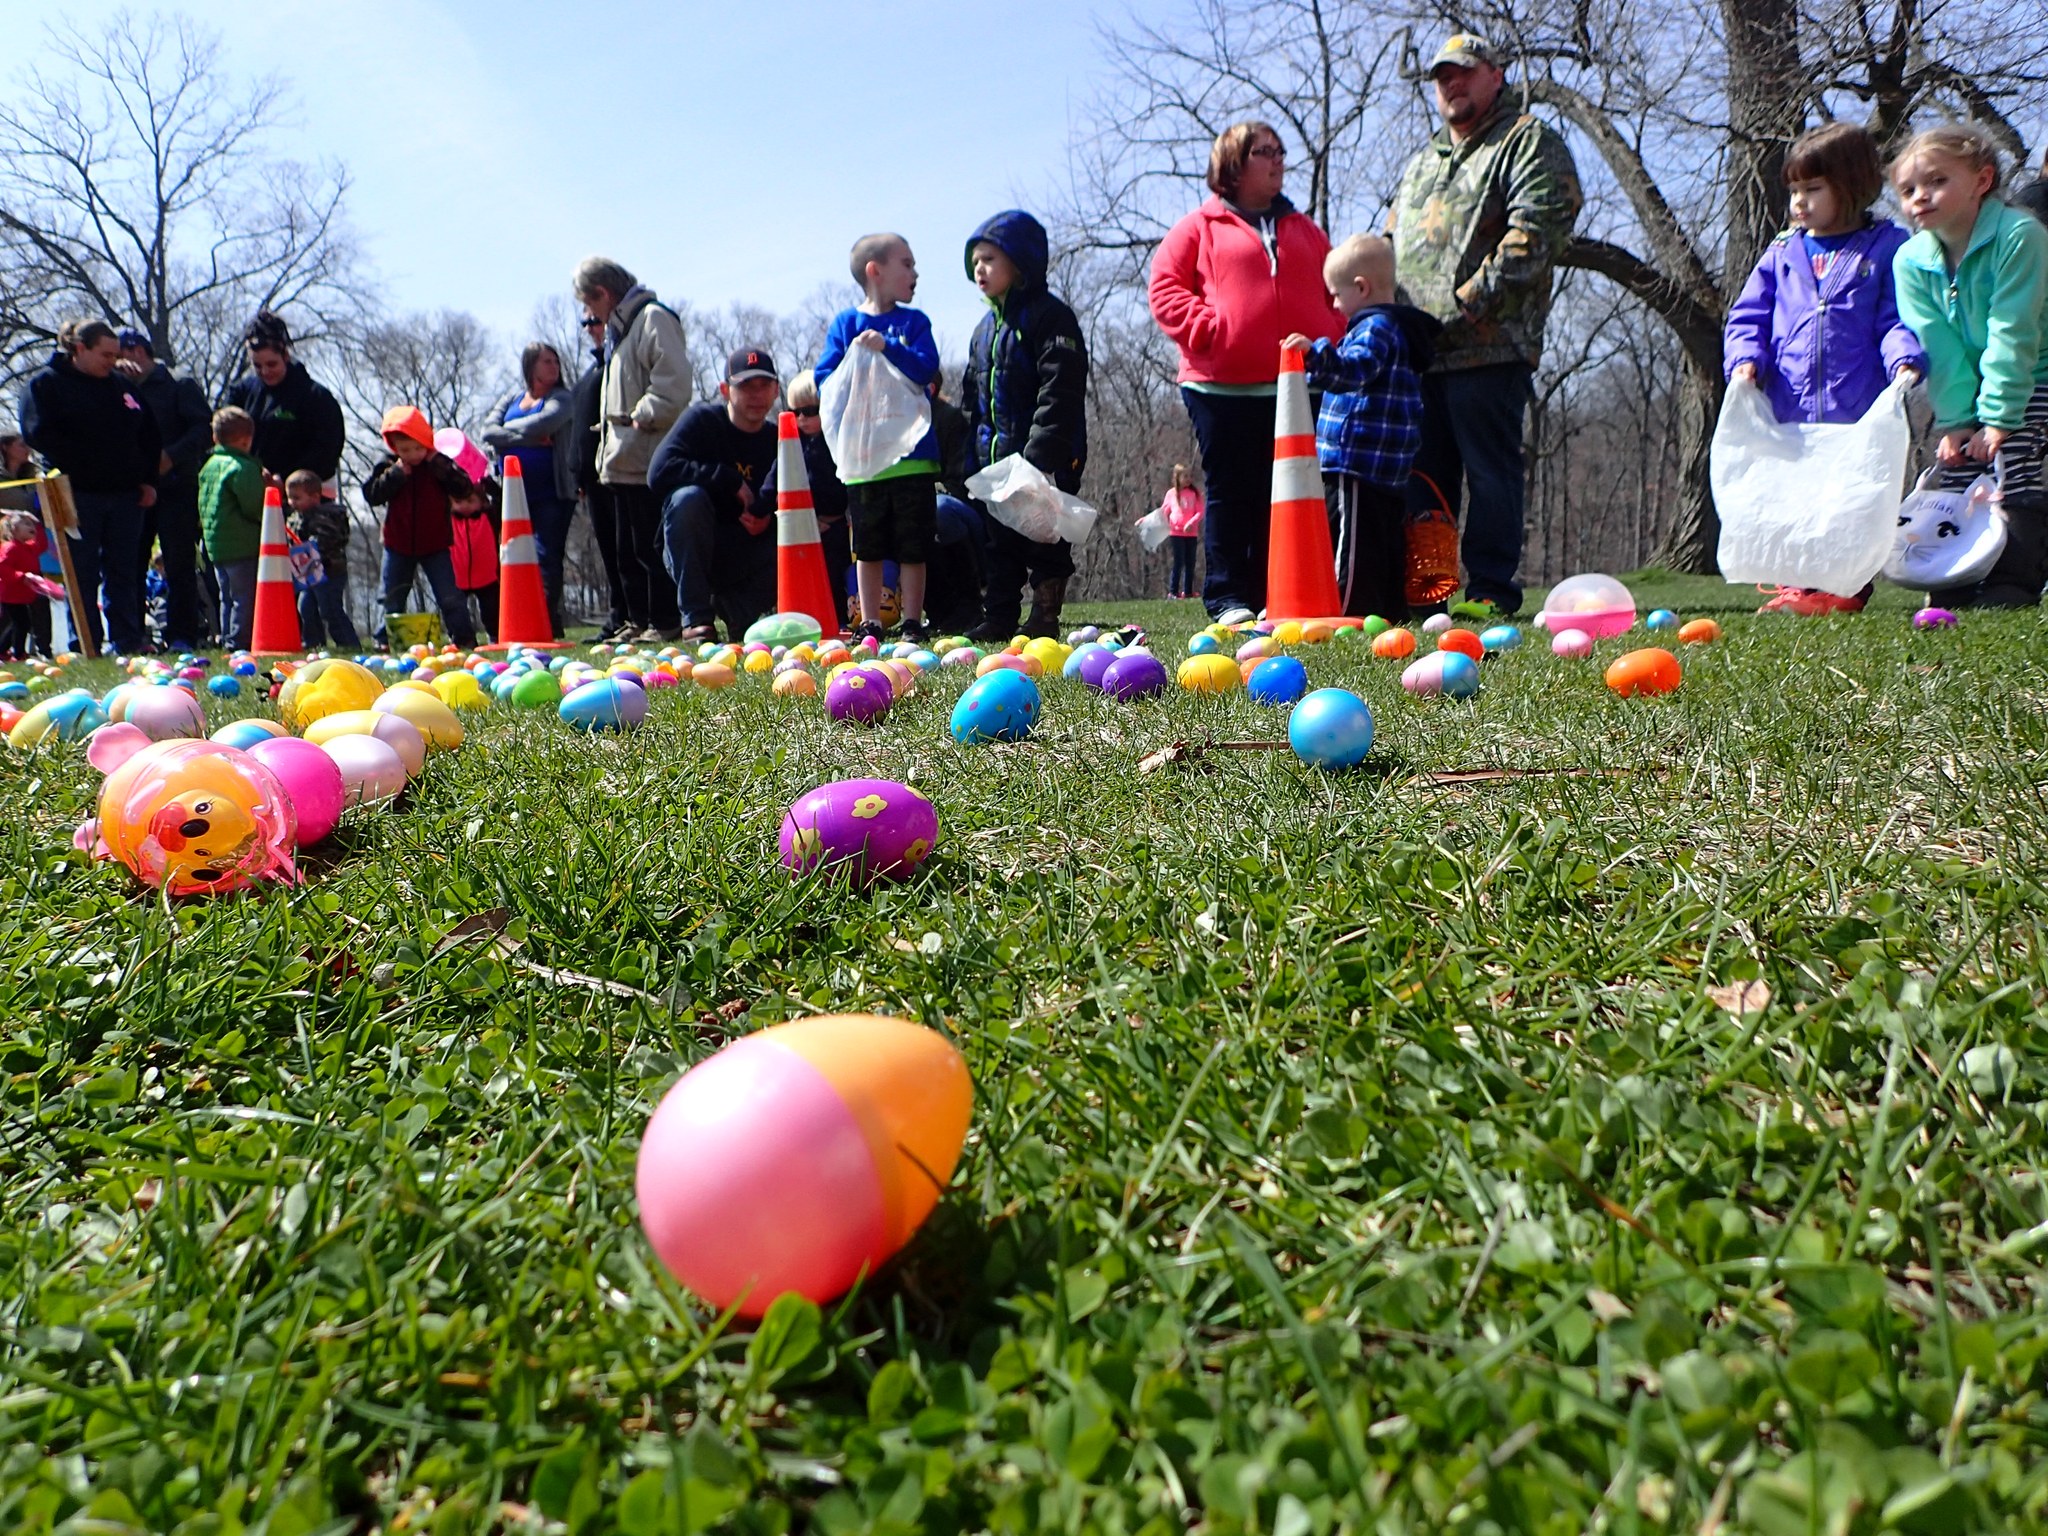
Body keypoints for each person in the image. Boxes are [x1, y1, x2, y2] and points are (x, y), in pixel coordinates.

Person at [1390, 32, 1582, 622]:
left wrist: (1469, 302)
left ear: (1494, 75)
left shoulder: (1525, 140)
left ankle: (1491, 591)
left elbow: (1542, 224)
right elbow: (1393, 240)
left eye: (1464, 72)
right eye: (1443, 76)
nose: (1452, 83)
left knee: (1490, 472)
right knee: (1426, 479)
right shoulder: (1424, 161)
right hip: (1417, 350)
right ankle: (1430, 593)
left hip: (1489, 345)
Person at [1724, 123, 1927, 616]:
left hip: (1854, 404)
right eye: (1794, 190)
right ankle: (1799, 586)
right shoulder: (1782, 252)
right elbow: (1749, 313)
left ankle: (1845, 587)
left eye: (1813, 189)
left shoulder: (1884, 249)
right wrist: (1746, 357)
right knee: (1798, 498)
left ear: (1852, 185)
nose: (1799, 202)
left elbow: (1894, 317)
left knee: (1845, 500)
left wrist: (1904, 360)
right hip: (1790, 402)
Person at [1149, 122, 1343, 625]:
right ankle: (1228, 596)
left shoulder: (1304, 229)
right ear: (1232, 164)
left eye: (1280, 151)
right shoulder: (1200, 226)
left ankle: (1276, 593)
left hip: (1296, 386)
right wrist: (1211, 327)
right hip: (1219, 385)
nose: (1277, 160)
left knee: (1283, 493)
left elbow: (1338, 291)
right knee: (1232, 489)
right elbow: (1165, 289)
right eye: (1263, 152)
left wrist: (1333, 336)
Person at [1892, 124, 2048, 607]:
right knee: (1957, 473)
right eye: (1908, 189)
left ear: (1982, 180)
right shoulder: (1910, 259)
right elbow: (1937, 344)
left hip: (2032, 375)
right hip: (1967, 386)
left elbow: (2013, 329)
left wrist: (1999, 417)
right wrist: (1958, 422)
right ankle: (1951, 579)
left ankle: (2011, 584)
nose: (1921, 196)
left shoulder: (2020, 235)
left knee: (2014, 473)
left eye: (1937, 181)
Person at [1283, 234, 1440, 622]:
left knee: (1352, 545)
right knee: (1384, 541)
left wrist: (1315, 354)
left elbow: (1355, 369)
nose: (1334, 304)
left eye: (1336, 294)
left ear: (1361, 288)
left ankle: (1350, 612)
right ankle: (1390, 612)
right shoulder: (1399, 328)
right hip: (1387, 465)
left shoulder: (1374, 329)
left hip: (1356, 459)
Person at [959, 211, 1089, 640]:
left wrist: (1042, 453)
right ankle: (998, 616)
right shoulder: (983, 330)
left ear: (1021, 262)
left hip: (1043, 456)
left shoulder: (1050, 318)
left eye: (990, 259)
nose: (980, 268)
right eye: (975, 260)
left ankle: (1045, 615)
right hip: (997, 464)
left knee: (1046, 538)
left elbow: (1060, 389)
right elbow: (972, 398)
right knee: (999, 543)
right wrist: (970, 459)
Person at [816, 233, 943, 643]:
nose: (915, 272)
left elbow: (926, 369)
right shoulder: (846, 325)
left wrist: (888, 347)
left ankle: (911, 621)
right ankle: (869, 621)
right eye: (906, 263)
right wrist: (856, 351)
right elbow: (826, 380)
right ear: (875, 270)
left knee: (913, 543)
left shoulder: (913, 323)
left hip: (914, 458)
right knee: (867, 545)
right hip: (865, 462)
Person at [18, 318, 162, 654]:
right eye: (105, 354)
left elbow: (149, 434)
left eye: (115, 355)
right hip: (75, 493)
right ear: (79, 349)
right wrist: (88, 460)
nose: (112, 361)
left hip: (126, 494)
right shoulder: (45, 385)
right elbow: (39, 434)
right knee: (80, 572)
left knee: (124, 570)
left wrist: (147, 480)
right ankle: (85, 643)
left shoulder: (122, 386)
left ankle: (127, 639)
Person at [573, 257, 692, 642]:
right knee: (627, 549)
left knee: (650, 545)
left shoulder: (653, 319)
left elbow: (673, 383)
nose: (591, 315)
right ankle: (638, 619)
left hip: (647, 454)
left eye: (590, 306)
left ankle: (664, 621)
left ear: (603, 295)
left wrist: (642, 415)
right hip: (622, 459)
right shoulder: (621, 331)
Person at [650, 347, 780, 643]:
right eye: (746, 386)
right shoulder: (701, 421)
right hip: (695, 549)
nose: (756, 395)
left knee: (806, 527)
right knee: (688, 500)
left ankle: (740, 614)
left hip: (749, 551)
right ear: (725, 390)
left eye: (764, 386)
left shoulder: (779, 438)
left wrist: (767, 517)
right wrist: (728, 479)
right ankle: (697, 619)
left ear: (776, 390)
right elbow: (658, 472)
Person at [117, 329, 212, 647]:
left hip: (176, 487)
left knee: (179, 562)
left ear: (137, 352)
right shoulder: (115, 387)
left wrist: (171, 456)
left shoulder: (178, 384)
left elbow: (203, 428)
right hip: (133, 489)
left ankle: (182, 634)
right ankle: (132, 635)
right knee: (131, 563)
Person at [482, 341, 577, 637]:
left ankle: (547, 622)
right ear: (530, 366)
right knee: (510, 557)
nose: (554, 366)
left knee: (547, 557)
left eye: (555, 361)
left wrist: (509, 437)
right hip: (510, 497)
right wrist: (529, 439)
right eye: (546, 361)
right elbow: (488, 431)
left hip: (551, 493)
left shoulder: (561, 398)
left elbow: (545, 423)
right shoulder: (511, 398)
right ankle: (514, 622)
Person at [364, 406, 478, 647]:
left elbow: (464, 488)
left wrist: (438, 464)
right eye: (405, 450)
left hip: (435, 543)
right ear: (394, 447)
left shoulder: (438, 463)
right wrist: (395, 474)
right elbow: (372, 494)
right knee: (391, 596)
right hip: (398, 542)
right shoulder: (389, 465)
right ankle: (382, 640)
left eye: (418, 448)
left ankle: (464, 638)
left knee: (449, 596)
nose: (413, 455)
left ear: (427, 442)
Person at [761, 369, 852, 627]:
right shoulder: (793, 443)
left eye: (811, 411)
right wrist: (759, 507)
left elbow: (846, 484)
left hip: (833, 523)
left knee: (835, 573)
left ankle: (840, 618)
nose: (802, 419)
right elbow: (776, 477)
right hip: (801, 525)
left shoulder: (837, 441)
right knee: (799, 574)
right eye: (796, 412)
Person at [221, 311, 347, 493]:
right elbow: (224, 437)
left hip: (300, 498)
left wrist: (287, 478)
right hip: (248, 493)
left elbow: (327, 451)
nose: (265, 371)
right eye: (257, 366)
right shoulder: (240, 393)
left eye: (272, 364)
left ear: (285, 356)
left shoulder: (316, 398)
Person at [570, 313, 630, 641]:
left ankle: (633, 614)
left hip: (619, 470)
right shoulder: (593, 370)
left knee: (625, 549)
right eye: (586, 323)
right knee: (608, 549)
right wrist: (576, 471)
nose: (591, 328)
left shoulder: (617, 366)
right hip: (592, 477)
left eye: (596, 319)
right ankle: (619, 614)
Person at [196, 406, 266, 651]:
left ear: (216, 437)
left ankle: (227, 638)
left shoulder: (209, 466)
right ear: (247, 440)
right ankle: (240, 642)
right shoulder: (242, 468)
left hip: (216, 544)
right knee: (244, 597)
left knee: (226, 596)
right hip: (242, 542)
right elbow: (253, 506)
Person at [927, 375, 988, 633]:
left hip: (960, 509)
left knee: (937, 510)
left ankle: (969, 602)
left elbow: (960, 481)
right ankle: (936, 609)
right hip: (916, 505)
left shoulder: (949, 420)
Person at [286, 469, 360, 650]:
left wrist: (313, 542)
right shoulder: (295, 518)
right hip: (308, 574)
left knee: (329, 609)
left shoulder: (328, 516)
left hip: (330, 571)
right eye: (289, 497)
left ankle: (348, 643)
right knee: (305, 607)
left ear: (315, 496)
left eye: (297, 498)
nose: (291, 502)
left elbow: (336, 538)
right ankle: (313, 644)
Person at [448, 474, 502, 642]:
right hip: (457, 576)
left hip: (487, 575)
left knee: (491, 610)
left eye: (470, 501)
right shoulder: (448, 520)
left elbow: (501, 501)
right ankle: (461, 639)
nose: (464, 506)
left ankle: (495, 636)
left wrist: (489, 485)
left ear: (481, 501)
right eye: (458, 502)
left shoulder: (489, 517)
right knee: (455, 610)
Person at [0, 510, 51, 659]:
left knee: (20, 623)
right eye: (27, 524)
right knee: (21, 623)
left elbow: (42, 545)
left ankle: (3, 650)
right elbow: (2, 567)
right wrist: (21, 576)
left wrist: (39, 526)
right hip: (10, 594)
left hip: (22, 595)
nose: (32, 527)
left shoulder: (28, 547)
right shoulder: (11, 547)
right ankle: (19, 653)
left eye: (32, 524)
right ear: (15, 529)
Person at [1155, 466, 1204, 599]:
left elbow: (1200, 512)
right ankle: (1173, 592)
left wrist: (1191, 523)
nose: (1189, 479)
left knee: (1190, 562)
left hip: (1191, 533)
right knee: (1178, 562)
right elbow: (1163, 511)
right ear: (1177, 477)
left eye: (1190, 476)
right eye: (1185, 476)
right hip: (1176, 534)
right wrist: (1147, 520)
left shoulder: (1195, 494)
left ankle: (1188, 591)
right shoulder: (1171, 494)